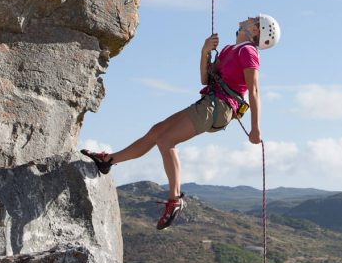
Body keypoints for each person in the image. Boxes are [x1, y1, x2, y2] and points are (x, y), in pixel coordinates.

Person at [81, 13, 280, 229]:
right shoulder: (229, 50)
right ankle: (108, 161)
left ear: (256, 31)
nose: (249, 18)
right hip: (211, 104)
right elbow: (205, 79)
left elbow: (255, 90)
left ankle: (174, 199)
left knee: (166, 141)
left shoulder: (249, 51)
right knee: (157, 131)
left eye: (255, 20)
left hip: (218, 108)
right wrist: (205, 51)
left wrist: (255, 127)